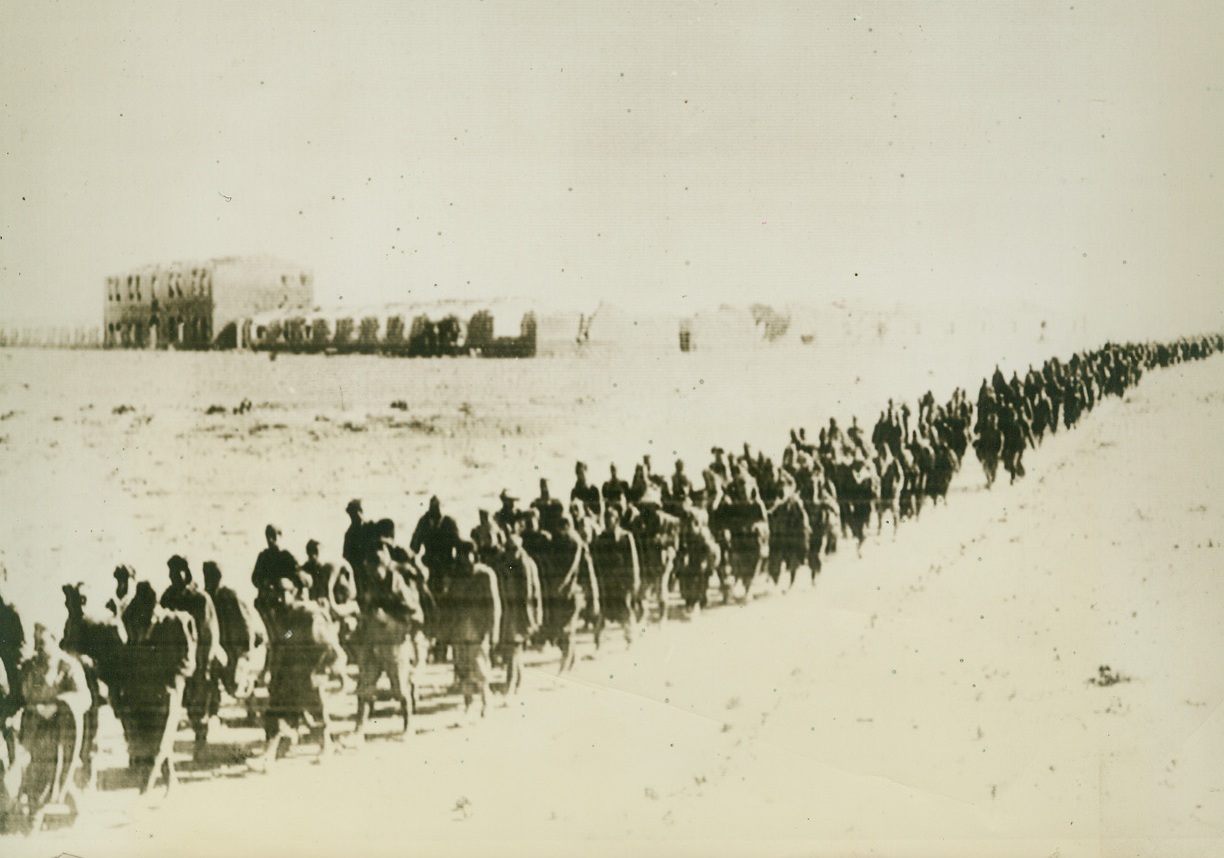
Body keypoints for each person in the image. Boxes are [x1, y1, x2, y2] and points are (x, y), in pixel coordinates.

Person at [118, 582, 196, 794]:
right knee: (156, 738)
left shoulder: (176, 621)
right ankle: (172, 783)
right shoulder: (134, 619)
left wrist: (170, 677)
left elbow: (188, 660)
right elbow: (129, 651)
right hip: (144, 690)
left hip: (168, 690)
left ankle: (144, 792)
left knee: (159, 741)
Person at [260, 576, 345, 766]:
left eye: (284, 594)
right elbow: (286, 636)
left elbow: (326, 641)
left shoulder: (307, 613)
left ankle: (327, 747)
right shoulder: (285, 614)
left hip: (308, 673)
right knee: (275, 712)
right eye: (277, 595)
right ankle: (268, 757)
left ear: (293, 593)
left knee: (316, 711)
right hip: (289, 673)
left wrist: (329, 668)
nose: (280, 599)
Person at [15, 624, 91, 815]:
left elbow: (84, 697)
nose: (39, 649)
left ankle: (52, 806)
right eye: (36, 644)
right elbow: (22, 696)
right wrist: (34, 708)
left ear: (54, 640)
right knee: (28, 767)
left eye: (42, 643)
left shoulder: (69, 666)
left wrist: (58, 705)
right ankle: (32, 809)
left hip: (60, 729)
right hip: (35, 726)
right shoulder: (31, 666)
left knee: (55, 768)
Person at [353, 537, 422, 737]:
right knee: (365, 686)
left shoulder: (396, 583)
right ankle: (359, 729)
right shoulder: (370, 582)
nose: (371, 572)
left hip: (394, 642)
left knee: (401, 688)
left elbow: (413, 613)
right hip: (374, 640)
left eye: (374, 568)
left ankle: (409, 726)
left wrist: (389, 618)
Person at [160, 555, 224, 758]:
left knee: (198, 704)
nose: (173, 575)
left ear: (186, 572)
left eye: (178, 570)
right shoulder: (167, 597)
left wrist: (204, 664)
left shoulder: (200, 598)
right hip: (174, 661)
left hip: (197, 660)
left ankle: (201, 743)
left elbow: (209, 634)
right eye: (171, 571)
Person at [446, 542, 501, 716]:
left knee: (480, 666)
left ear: (474, 556)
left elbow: (494, 605)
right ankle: (468, 704)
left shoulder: (485, 574)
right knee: (462, 668)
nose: (463, 560)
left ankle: (486, 701)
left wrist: (494, 632)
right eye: (460, 556)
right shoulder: (456, 575)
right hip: (459, 628)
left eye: (467, 555)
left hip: (478, 628)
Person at [202, 561, 266, 706]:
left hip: (237, 645)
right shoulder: (207, 596)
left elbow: (245, 623)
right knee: (214, 676)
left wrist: (246, 651)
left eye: (211, 576)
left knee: (234, 685)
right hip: (221, 645)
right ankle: (214, 709)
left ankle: (251, 692)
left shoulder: (229, 595)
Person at [493, 530, 542, 696]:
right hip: (508, 613)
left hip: (521, 614)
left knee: (513, 649)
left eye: (513, 549)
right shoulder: (505, 563)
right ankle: (518, 682)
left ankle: (511, 684)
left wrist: (535, 617)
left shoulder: (527, 565)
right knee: (513, 650)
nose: (510, 553)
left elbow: (533, 594)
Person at [588, 506, 640, 649]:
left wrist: (634, 582)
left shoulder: (625, 537)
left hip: (622, 583)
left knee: (626, 611)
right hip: (607, 583)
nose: (606, 520)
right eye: (605, 518)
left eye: (609, 517)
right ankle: (599, 644)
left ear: (616, 520)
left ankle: (630, 640)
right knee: (602, 613)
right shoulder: (600, 539)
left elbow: (633, 561)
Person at [410, 496, 460, 597]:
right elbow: (414, 547)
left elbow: (458, 545)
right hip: (430, 566)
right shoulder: (424, 522)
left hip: (446, 565)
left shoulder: (449, 522)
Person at [251, 525, 298, 631]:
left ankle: (287, 637)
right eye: (268, 536)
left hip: (283, 599)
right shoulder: (263, 556)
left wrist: (285, 584)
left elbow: (298, 578)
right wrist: (263, 583)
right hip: (267, 598)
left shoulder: (286, 556)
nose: (270, 540)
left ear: (280, 536)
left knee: (287, 628)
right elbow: (255, 578)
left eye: (273, 536)